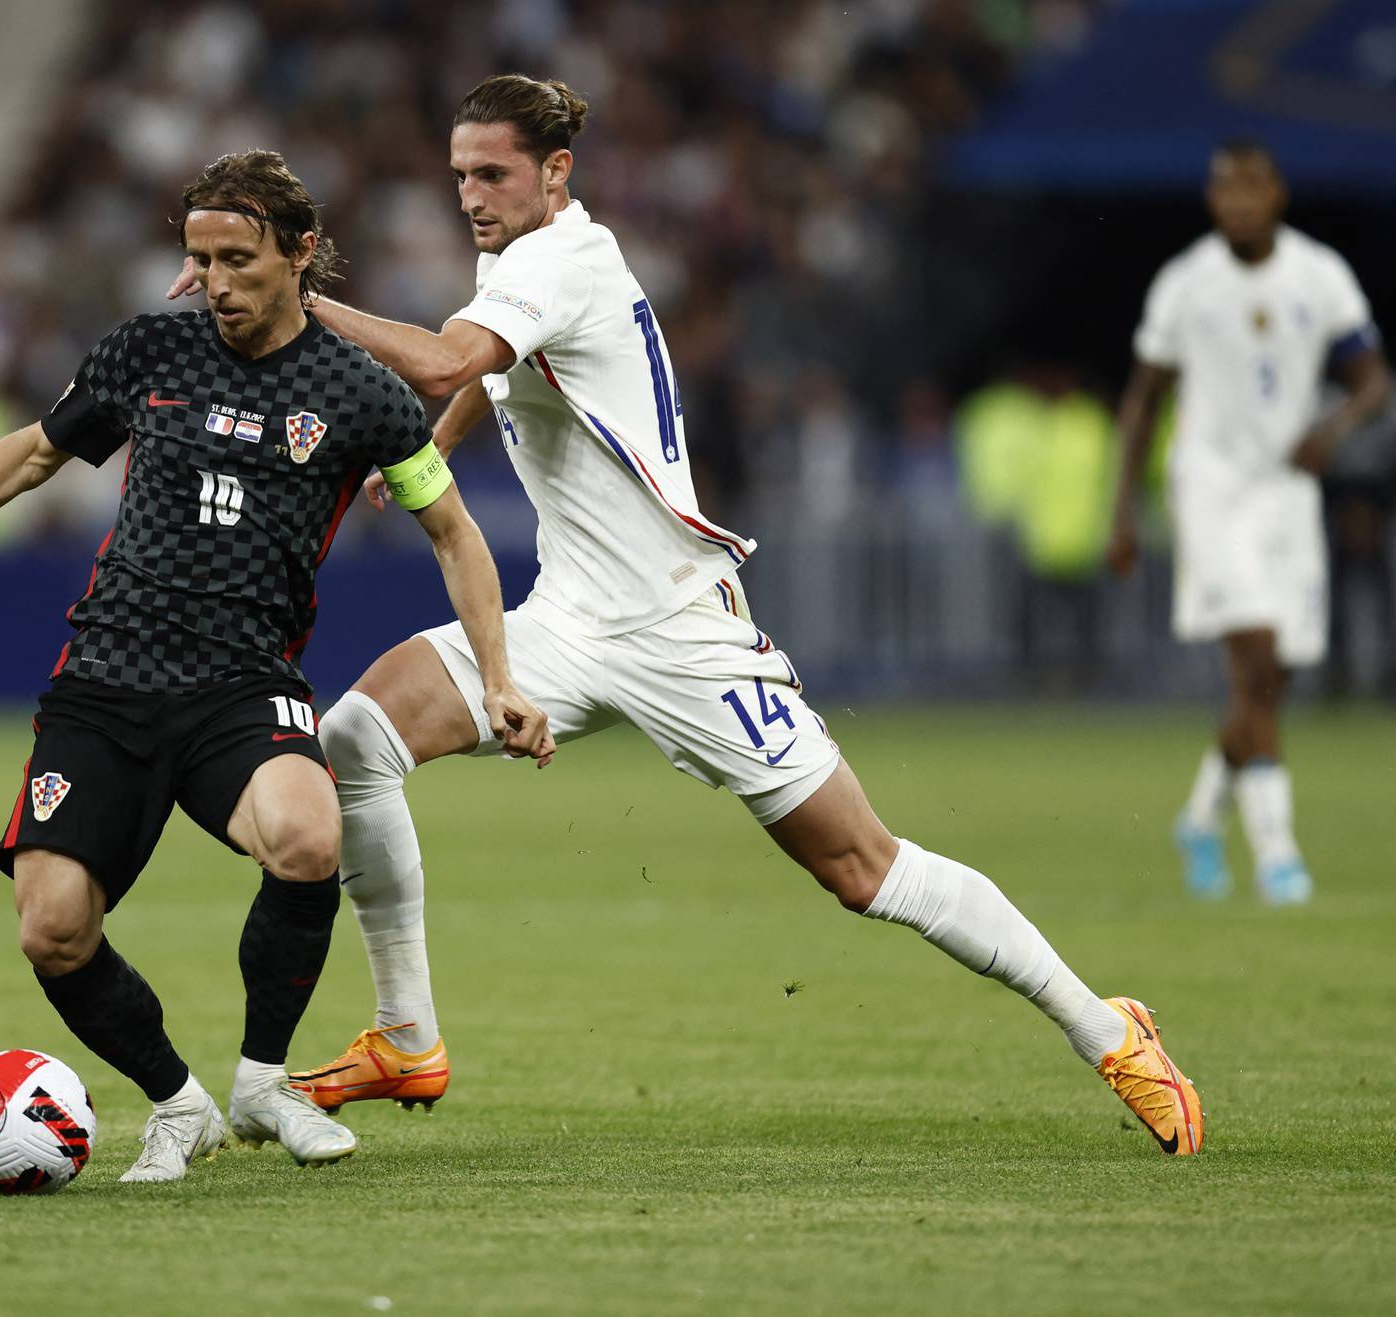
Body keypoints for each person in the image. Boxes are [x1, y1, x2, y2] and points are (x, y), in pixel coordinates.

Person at [170, 74, 1202, 1154]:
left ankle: (1107, 1028)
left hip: (678, 628)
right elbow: (493, 369)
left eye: (493, 174)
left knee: (862, 869)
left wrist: (296, 296)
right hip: (568, 620)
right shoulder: (517, 257)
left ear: (555, 172)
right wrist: (451, 438)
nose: (472, 194)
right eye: (461, 174)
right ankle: (406, 1037)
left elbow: (443, 356)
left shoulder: (562, 258)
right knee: (355, 734)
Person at [0, 150, 552, 1182]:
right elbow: (36, 450)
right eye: (200, 258)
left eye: (240, 259)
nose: (216, 282)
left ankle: (263, 1084)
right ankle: (179, 1105)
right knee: (52, 930)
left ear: (301, 256)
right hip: (108, 680)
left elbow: (454, 532)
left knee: (308, 835)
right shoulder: (148, 351)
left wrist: (499, 680)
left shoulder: (363, 395)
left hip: (242, 686)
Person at [1109, 140, 1389, 904]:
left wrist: (1331, 429)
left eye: (1250, 186)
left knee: (1274, 680)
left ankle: (1201, 816)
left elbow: (1373, 379)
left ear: (1277, 193)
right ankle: (1277, 855)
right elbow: (1144, 399)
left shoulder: (1320, 274)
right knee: (1256, 660)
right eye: (1223, 187)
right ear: (1210, 199)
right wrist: (1123, 510)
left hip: (1286, 494)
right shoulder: (1186, 283)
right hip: (1210, 488)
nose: (1236, 200)